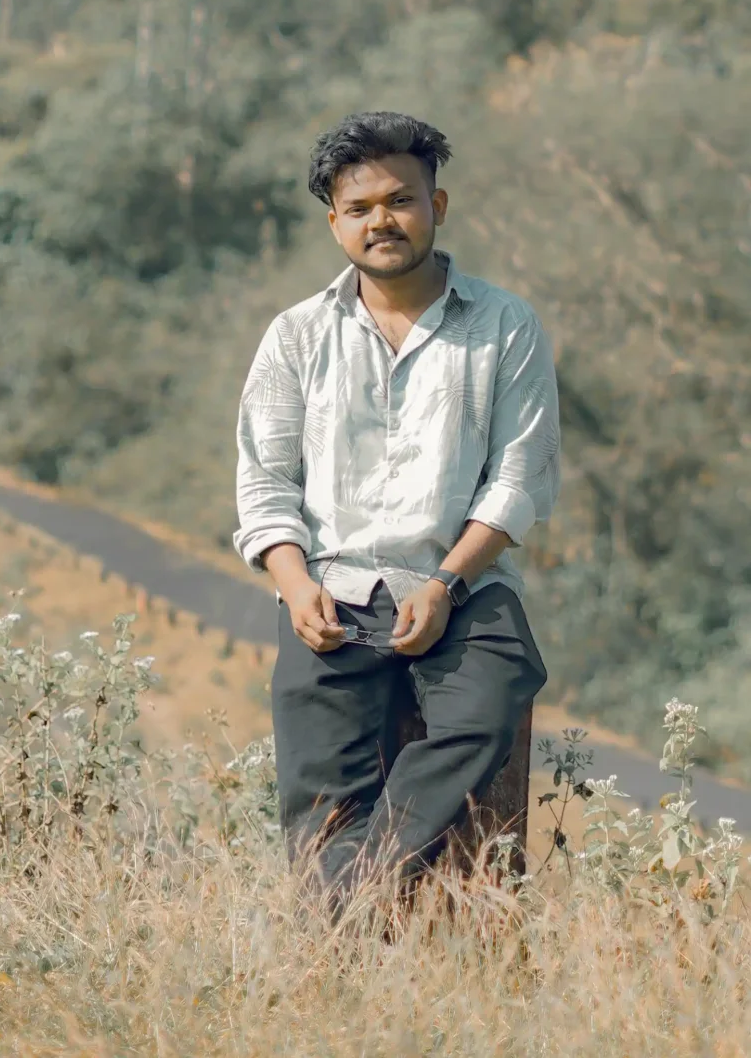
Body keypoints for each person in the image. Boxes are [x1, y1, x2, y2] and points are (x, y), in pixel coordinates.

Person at [234, 109, 560, 906]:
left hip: (459, 586)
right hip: (330, 593)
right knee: (318, 803)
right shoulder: (297, 336)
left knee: (488, 706)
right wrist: (293, 580)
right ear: (334, 224)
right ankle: (342, 952)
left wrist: (445, 584)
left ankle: (346, 896)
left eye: (400, 199)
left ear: (435, 207)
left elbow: (519, 478)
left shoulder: (503, 325)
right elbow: (264, 480)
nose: (382, 220)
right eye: (359, 208)